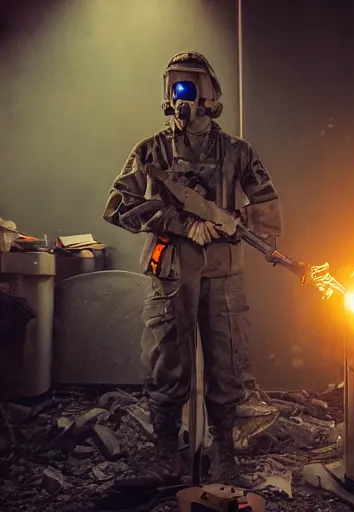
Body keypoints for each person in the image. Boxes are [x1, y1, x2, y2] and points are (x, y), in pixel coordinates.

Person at [103, 51, 282, 485]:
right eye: (175, 86)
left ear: (210, 93)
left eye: (190, 86)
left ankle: (224, 453)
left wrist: (230, 226)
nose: (181, 96)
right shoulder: (150, 151)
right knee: (168, 364)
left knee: (226, 364)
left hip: (223, 272)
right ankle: (166, 454)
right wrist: (182, 223)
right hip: (170, 270)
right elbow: (117, 206)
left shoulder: (237, 152)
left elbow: (267, 207)